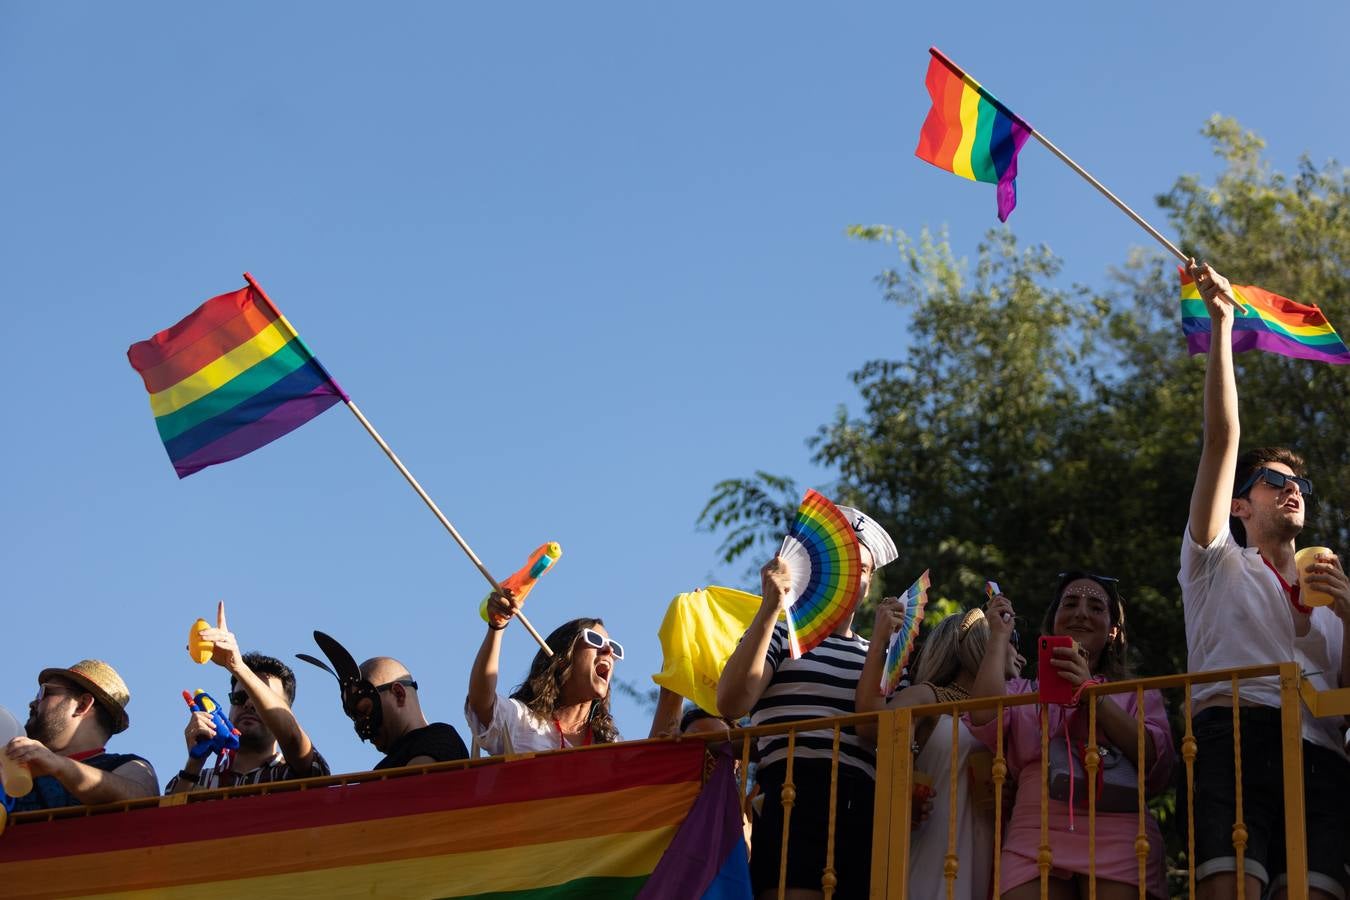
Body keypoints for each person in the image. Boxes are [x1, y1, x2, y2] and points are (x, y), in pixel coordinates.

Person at [1180, 260, 1350, 900]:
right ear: (1238, 506)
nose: (1292, 492)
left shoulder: (1333, 590)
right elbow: (1221, 442)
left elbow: (1345, 694)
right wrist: (1223, 325)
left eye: (1300, 485)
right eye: (1275, 482)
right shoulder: (1213, 560)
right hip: (1238, 737)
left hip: (1323, 757)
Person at [717, 504, 897, 900]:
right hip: (792, 796)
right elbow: (731, 702)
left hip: (861, 806)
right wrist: (769, 607)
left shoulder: (879, 656)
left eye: (864, 569)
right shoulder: (779, 638)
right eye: (846, 564)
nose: (854, 577)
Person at [968, 576, 1175, 900]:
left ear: (1113, 632)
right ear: (1052, 623)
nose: (1081, 613)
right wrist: (998, 637)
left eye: (1095, 607)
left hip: (1119, 827)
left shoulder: (1134, 692)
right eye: (1070, 604)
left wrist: (1091, 692)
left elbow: (1154, 759)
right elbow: (983, 717)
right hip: (1034, 829)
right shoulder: (1023, 690)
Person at [855, 604, 1023, 900]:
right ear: (981, 642)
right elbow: (871, 728)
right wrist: (880, 640)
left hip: (991, 858)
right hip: (932, 852)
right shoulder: (929, 697)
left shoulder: (1016, 713)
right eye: (1011, 640)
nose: (1018, 653)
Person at [166, 603, 329, 791]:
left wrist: (238, 667)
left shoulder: (297, 775)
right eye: (240, 698)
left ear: (285, 713)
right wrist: (194, 764)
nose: (250, 704)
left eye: (260, 699)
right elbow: (165, 819)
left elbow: (293, 737)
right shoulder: (194, 779)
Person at [466, 597, 621, 754]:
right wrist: (496, 628)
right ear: (562, 659)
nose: (608, 651)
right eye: (595, 640)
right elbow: (481, 702)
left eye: (614, 648)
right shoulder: (522, 721)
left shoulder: (611, 745)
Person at [5, 659, 158, 811]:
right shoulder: (11, 764)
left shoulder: (128, 765)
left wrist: (57, 764)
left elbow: (143, 799)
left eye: (43, 692)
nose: (32, 703)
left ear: (82, 704)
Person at [361, 657, 469, 769]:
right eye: (354, 717)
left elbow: (415, 784)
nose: (360, 726)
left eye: (365, 710)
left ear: (399, 694)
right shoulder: (379, 771)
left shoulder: (439, 737)